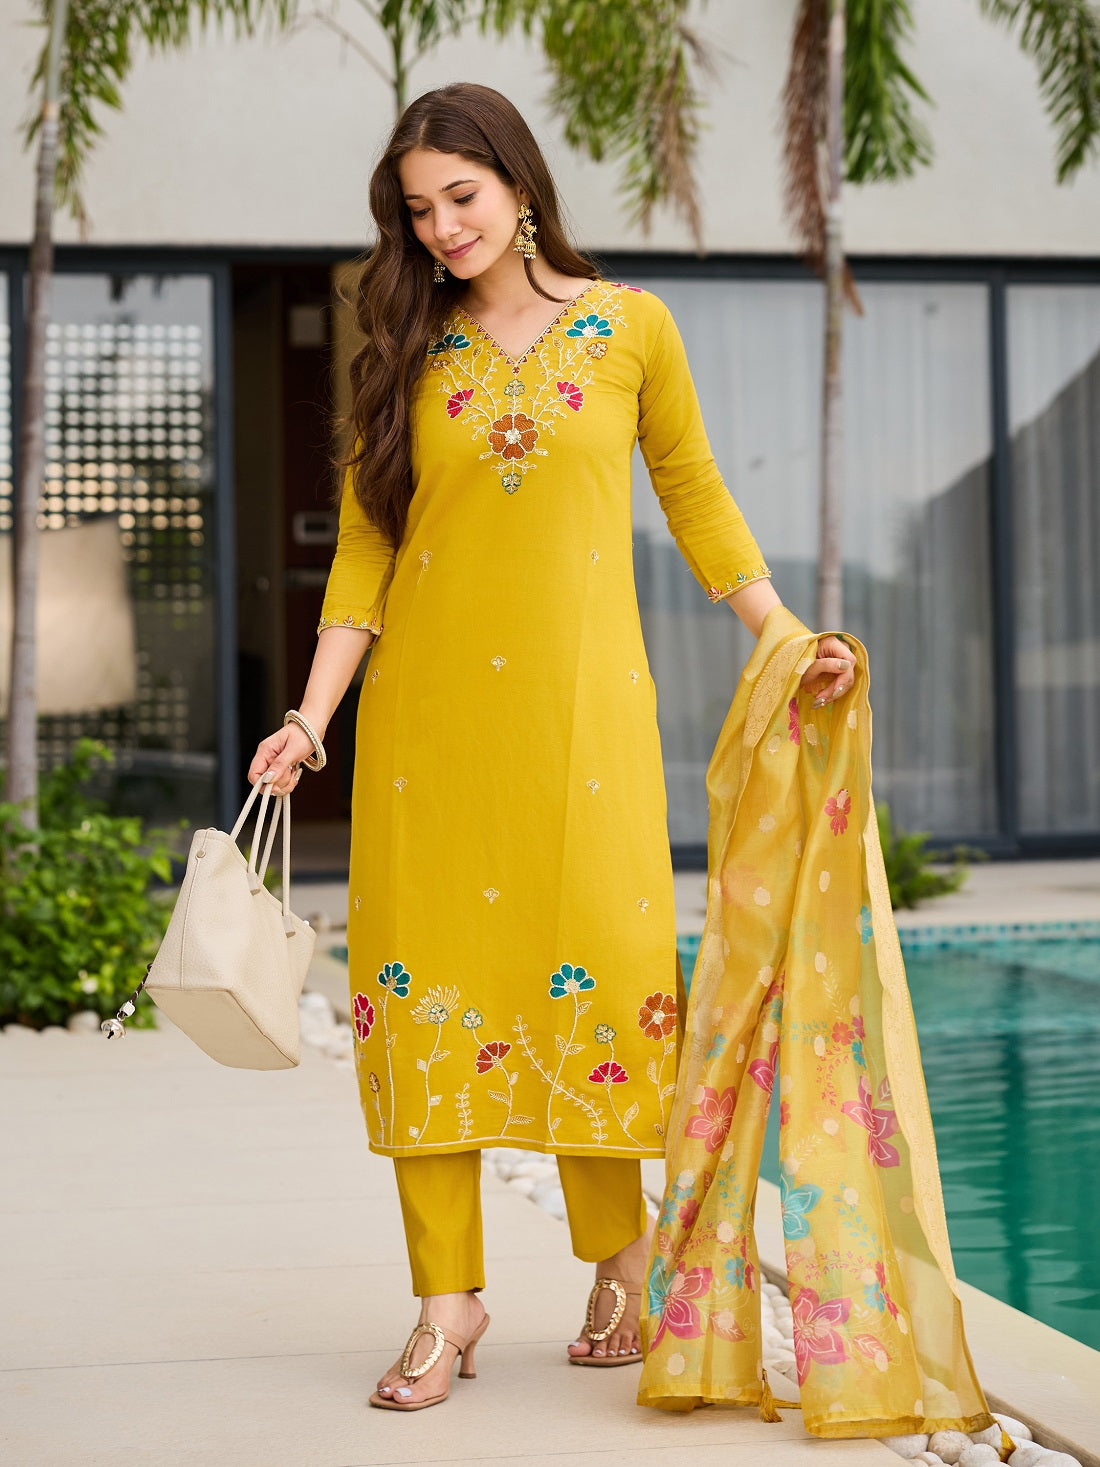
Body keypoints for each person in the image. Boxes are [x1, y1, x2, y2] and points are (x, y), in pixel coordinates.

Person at [248, 81, 855, 1413]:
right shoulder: (405, 343)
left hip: (586, 729)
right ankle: (445, 1301)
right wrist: (310, 716)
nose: (445, 226)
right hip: (431, 735)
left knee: (595, 973)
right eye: (420, 210)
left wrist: (782, 634)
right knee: (428, 992)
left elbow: (693, 495)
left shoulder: (631, 327)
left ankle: (620, 1261)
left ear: (520, 187)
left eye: (462, 196)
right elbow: (366, 550)